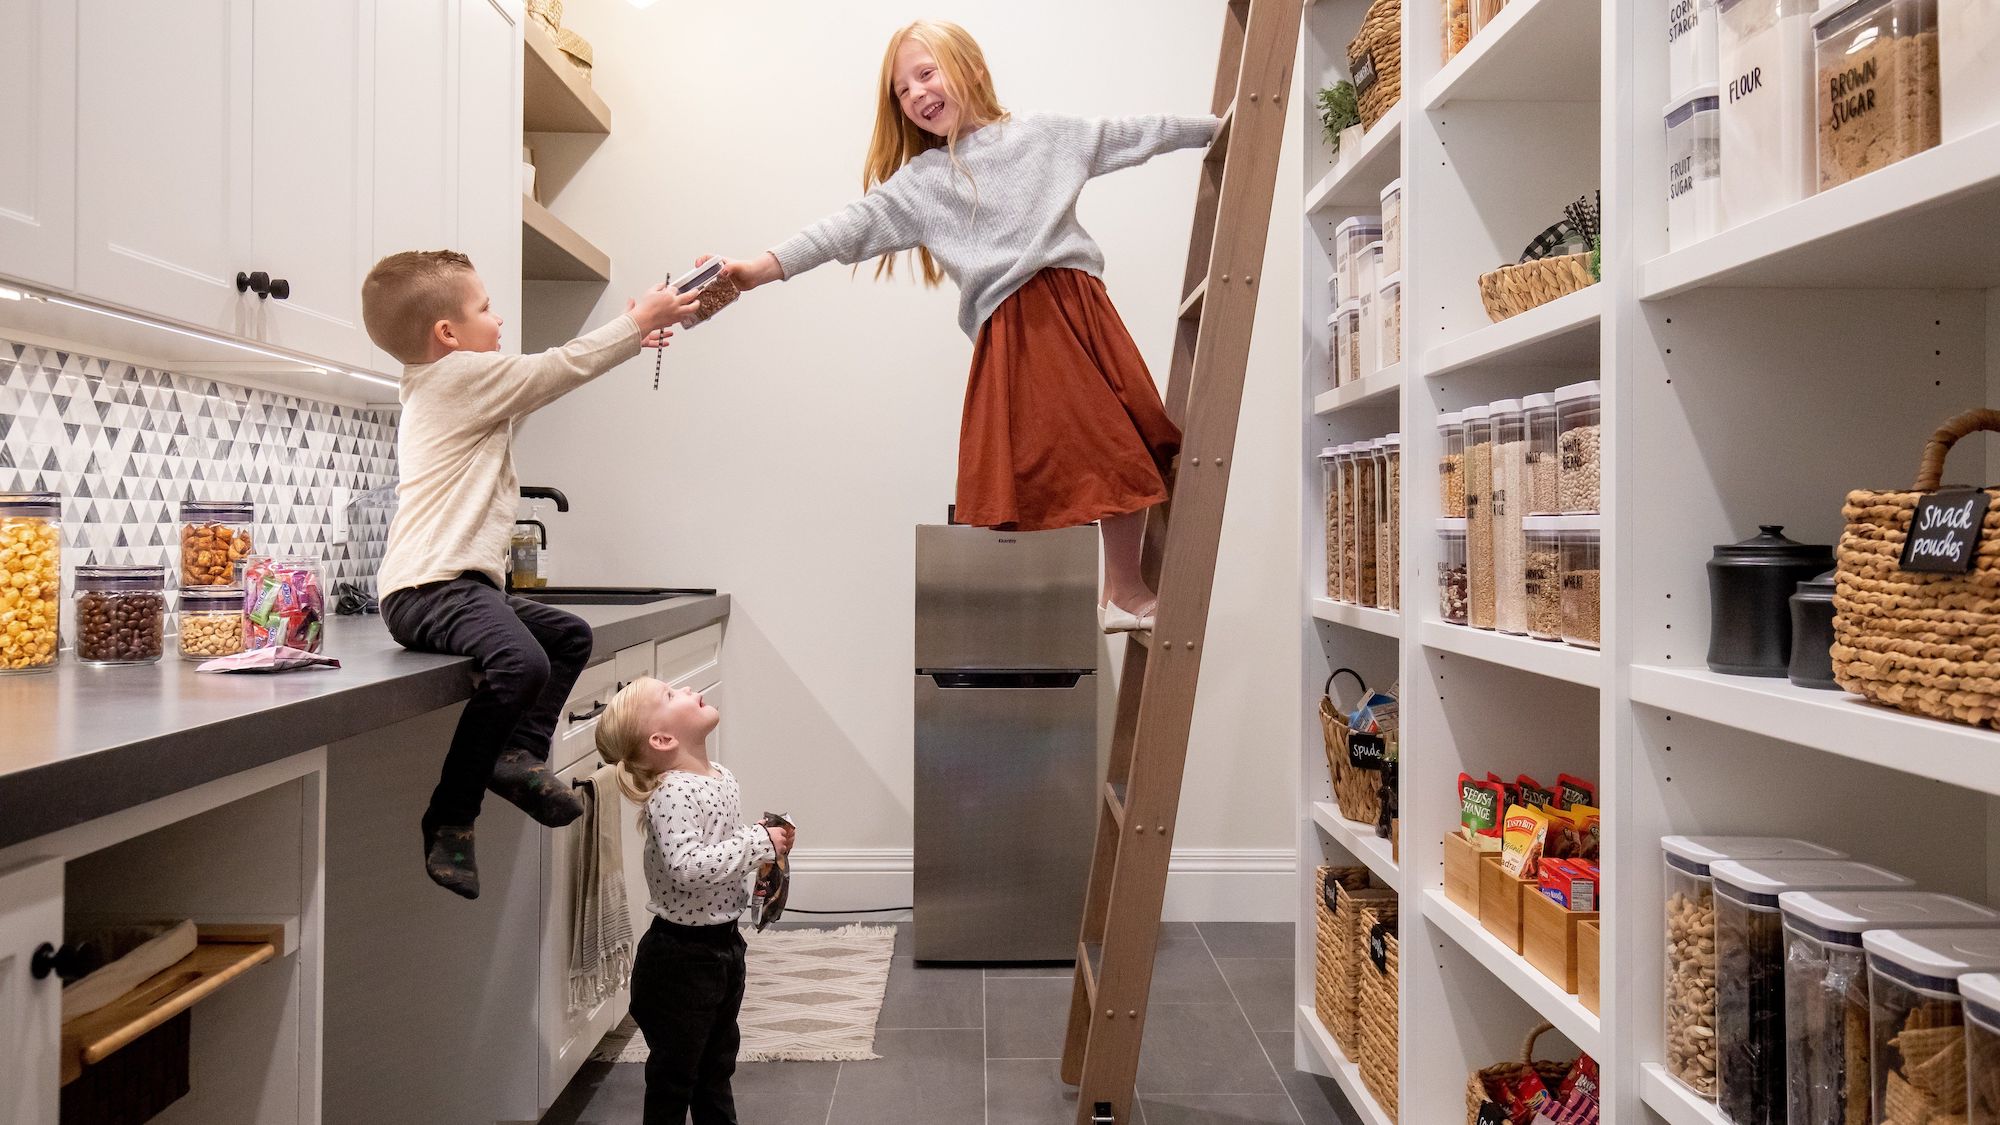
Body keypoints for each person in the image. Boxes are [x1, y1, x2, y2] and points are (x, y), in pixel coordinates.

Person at [716, 19, 1218, 633]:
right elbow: (843, 230)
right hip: (1023, 326)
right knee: (1106, 448)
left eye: (925, 74)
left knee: (1135, 435)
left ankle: (1119, 589)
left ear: (972, 69)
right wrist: (757, 269)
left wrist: (1219, 131)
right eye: (902, 91)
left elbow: (1133, 134)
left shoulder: (1045, 135)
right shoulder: (923, 185)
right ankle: (1125, 590)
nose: (917, 95)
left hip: (1083, 307)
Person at [362, 249, 696, 898]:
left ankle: (517, 756)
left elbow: (546, 380)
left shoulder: (453, 388)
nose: (499, 315)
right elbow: (556, 368)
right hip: (430, 587)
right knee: (525, 662)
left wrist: (628, 333)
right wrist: (631, 328)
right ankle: (451, 815)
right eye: (485, 307)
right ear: (447, 335)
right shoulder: (456, 378)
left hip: (446, 586)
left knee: (566, 636)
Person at [594, 676, 796, 1125]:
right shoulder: (673, 792)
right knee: (675, 1076)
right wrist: (757, 843)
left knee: (716, 1065)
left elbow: (719, 852)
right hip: (680, 960)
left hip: (722, 946)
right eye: (670, 695)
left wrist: (759, 851)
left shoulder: (720, 777)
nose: (685, 691)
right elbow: (688, 868)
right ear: (662, 739)